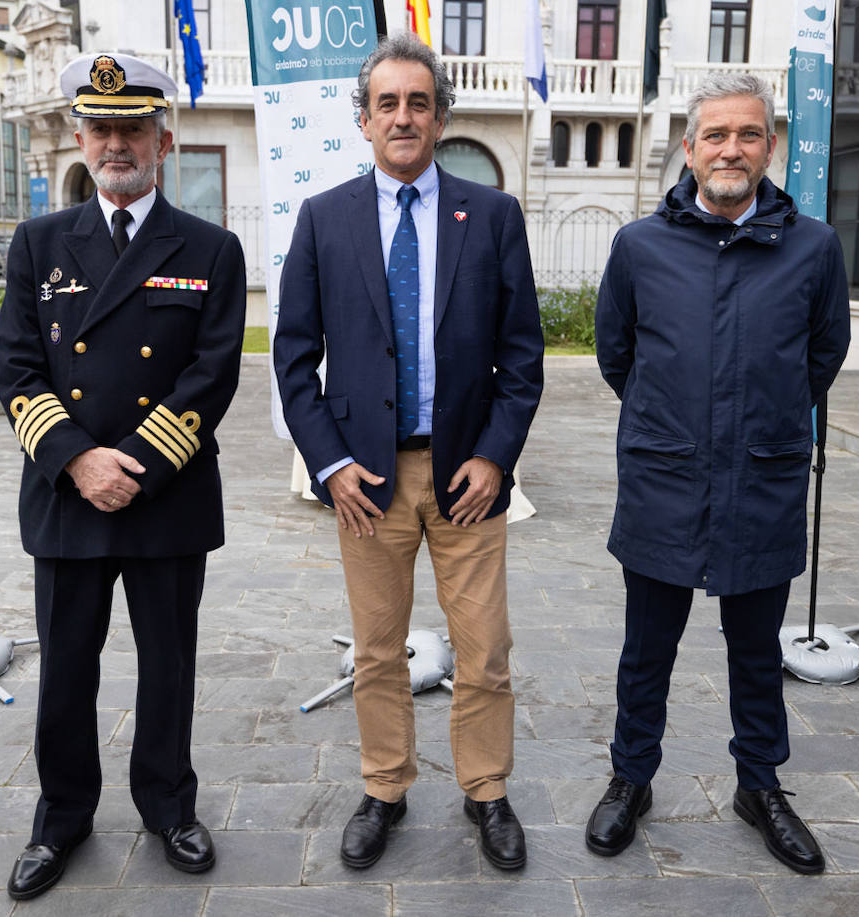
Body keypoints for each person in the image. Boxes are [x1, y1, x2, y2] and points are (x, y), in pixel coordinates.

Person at [273, 34, 544, 871]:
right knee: (377, 649)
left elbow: (523, 355)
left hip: (466, 474)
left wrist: (497, 457)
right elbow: (292, 356)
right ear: (363, 120)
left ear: (439, 118)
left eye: (417, 102)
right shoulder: (325, 219)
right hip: (366, 482)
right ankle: (385, 787)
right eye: (386, 103)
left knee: (484, 649)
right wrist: (329, 465)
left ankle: (486, 789)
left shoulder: (492, 215)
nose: (402, 116)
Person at [0, 52, 245, 899]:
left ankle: (170, 807)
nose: (115, 143)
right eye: (100, 128)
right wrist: (80, 461)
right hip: (70, 494)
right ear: (78, 135)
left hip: (163, 494)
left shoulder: (210, 247)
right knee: (67, 668)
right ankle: (60, 817)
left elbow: (212, 374)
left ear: (163, 139)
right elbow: (18, 371)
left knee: (168, 665)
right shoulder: (38, 244)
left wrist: (133, 465)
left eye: (131, 127)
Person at [586, 72, 850, 874]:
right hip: (664, 483)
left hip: (763, 483)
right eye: (715, 135)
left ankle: (760, 785)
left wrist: (761, 425)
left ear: (769, 146)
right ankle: (631, 778)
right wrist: (676, 424)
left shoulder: (815, 247)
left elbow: (822, 356)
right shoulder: (640, 247)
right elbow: (616, 354)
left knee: (755, 650)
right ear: (690, 150)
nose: (730, 148)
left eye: (747, 134)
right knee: (646, 650)